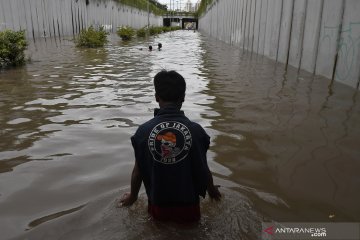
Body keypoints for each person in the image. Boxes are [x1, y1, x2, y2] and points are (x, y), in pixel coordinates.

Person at [119, 70, 221, 223]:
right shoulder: (196, 131)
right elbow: (202, 167)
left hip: (158, 206)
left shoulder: (143, 132)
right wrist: (212, 190)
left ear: (156, 97)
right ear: (184, 98)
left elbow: (138, 172)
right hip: (190, 206)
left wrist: (132, 197)